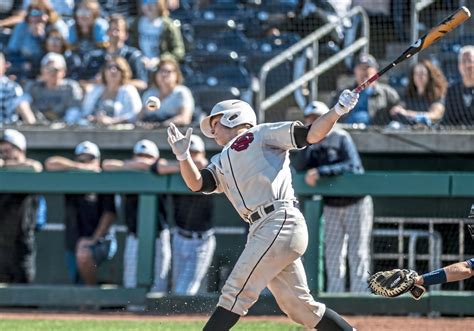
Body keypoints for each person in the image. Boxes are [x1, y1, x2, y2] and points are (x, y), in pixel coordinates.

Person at [166, 90, 360, 330]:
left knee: (235, 291)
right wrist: (183, 157)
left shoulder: (260, 133)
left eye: (215, 122)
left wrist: (337, 111)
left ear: (233, 117)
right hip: (262, 228)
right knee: (300, 307)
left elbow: (310, 134)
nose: (212, 130)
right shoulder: (220, 159)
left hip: (279, 220)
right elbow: (197, 183)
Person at [293, 100, 373, 293]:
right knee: (333, 253)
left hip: (356, 203)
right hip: (331, 206)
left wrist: (322, 171)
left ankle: (359, 296)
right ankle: (335, 296)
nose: (313, 124)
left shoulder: (341, 137)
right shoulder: (309, 144)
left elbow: (354, 167)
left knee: (358, 253)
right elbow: (298, 167)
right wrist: (308, 144)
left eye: (317, 119)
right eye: (309, 120)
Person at [102, 139, 176, 293]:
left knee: (158, 285)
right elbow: (107, 165)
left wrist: (145, 165)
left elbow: (156, 165)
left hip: (159, 235)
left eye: (147, 155)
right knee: (131, 282)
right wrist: (132, 165)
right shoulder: (128, 171)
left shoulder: (160, 170)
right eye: (139, 155)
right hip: (134, 235)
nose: (142, 158)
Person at [45, 141, 117, 285]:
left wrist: (93, 239)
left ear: (97, 160)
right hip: (73, 239)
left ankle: (92, 297)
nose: (86, 163)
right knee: (76, 281)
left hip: (100, 240)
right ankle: (86, 302)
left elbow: (110, 213)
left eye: (90, 159)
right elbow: (50, 163)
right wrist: (80, 167)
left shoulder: (104, 180)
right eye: (81, 159)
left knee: (84, 256)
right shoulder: (71, 176)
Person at [167, 135, 216, 295]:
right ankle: (179, 319)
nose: (192, 156)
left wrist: (186, 161)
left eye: (195, 152)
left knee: (186, 290)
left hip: (202, 239)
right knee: (177, 289)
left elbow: (202, 163)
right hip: (179, 236)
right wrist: (183, 162)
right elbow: (157, 167)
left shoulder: (209, 169)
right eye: (189, 152)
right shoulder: (178, 167)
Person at [0, 129, 43, 283]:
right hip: (1, 242)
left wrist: (6, 164)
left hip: (22, 240)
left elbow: (35, 167)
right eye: (1, 150)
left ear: (20, 150)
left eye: (8, 149)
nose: (4, 153)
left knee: (24, 289)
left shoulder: (27, 166)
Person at [81, 14, 147, 90]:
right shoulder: (94, 57)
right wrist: (96, 82)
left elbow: (142, 84)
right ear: (106, 33)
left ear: (126, 35)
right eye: (111, 30)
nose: (114, 33)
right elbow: (81, 82)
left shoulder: (133, 56)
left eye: (118, 30)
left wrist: (118, 81)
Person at [6, 1, 69, 80]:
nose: (39, 17)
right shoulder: (22, 27)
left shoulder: (57, 26)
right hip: (27, 65)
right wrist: (22, 62)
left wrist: (40, 38)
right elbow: (12, 52)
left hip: (51, 65)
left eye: (43, 13)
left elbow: (62, 50)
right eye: (34, 13)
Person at [338, 53, 400, 126]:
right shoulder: (345, 93)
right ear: (355, 71)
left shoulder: (387, 93)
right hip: (348, 131)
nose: (364, 71)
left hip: (376, 134)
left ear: (376, 71)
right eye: (361, 68)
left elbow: (399, 110)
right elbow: (333, 113)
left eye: (368, 67)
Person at [22, 52, 83, 124]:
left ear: (64, 72)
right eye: (48, 69)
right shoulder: (33, 87)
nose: (52, 73)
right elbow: (22, 104)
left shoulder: (71, 88)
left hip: (64, 129)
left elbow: (74, 110)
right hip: (38, 128)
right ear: (42, 71)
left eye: (56, 70)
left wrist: (65, 125)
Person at [82, 56, 142, 125]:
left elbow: (136, 114)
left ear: (123, 72)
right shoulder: (95, 90)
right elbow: (84, 113)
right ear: (104, 71)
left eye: (118, 68)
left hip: (121, 133)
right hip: (92, 132)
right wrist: (94, 118)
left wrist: (112, 121)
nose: (113, 70)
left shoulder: (129, 90)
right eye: (109, 67)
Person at [138, 57, 194, 126]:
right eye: (161, 71)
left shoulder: (181, 92)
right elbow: (140, 117)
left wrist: (161, 125)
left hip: (174, 133)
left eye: (168, 71)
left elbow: (185, 118)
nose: (164, 74)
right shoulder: (150, 93)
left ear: (176, 74)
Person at [129, 0, 185, 69]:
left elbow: (179, 50)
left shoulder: (168, 25)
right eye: (145, 1)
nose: (149, 5)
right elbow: (132, 46)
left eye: (153, 2)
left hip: (161, 67)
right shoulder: (136, 24)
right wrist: (139, 57)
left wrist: (160, 60)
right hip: (141, 66)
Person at [390, 59, 448, 126]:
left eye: (422, 74)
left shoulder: (437, 95)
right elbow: (399, 108)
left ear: (429, 76)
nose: (419, 77)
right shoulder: (409, 94)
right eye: (416, 74)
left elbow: (435, 115)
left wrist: (409, 114)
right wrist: (397, 109)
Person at [441, 45, 474, 126]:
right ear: (459, 66)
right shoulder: (451, 90)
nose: (467, 65)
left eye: (470, 60)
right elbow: (447, 120)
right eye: (463, 61)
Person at [0, 52, 36, 124]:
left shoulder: (12, 87)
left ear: (5, 66)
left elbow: (23, 107)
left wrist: (32, 126)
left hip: (5, 130)